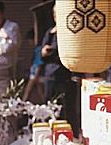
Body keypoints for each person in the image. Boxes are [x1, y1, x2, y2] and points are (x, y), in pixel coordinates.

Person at [40, 5, 78, 136]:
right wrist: (46, 52)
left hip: (63, 76)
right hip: (49, 75)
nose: (57, 17)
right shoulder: (49, 32)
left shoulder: (68, 32)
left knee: (64, 109)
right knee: (49, 108)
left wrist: (51, 51)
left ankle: (65, 135)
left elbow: (64, 52)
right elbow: (42, 53)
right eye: (55, 14)